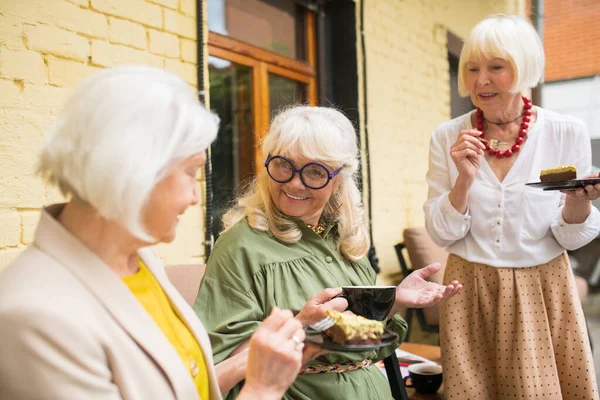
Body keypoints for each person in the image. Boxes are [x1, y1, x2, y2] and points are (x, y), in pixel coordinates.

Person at [0, 66, 306, 400]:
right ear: (130, 171)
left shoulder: (139, 256)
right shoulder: (36, 318)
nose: (194, 197)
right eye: (190, 172)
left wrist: (249, 364)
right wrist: (263, 389)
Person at [194, 105, 462, 399]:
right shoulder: (240, 246)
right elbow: (219, 361)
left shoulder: (343, 238)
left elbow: (361, 338)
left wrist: (393, 301)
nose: (295, 182)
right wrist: (301, 328)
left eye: (314, 171)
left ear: (338, 180)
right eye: (283, 164)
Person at [424, 14, 600, 399]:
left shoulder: (564, 131)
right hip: (468, 287)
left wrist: (577, 202)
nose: (480, 80)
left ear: (524, 70)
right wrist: (464, 180)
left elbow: (569, 234)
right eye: (471, 69)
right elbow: (441, 232)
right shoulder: (447, 136)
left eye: (495, 68)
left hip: (543, 285)